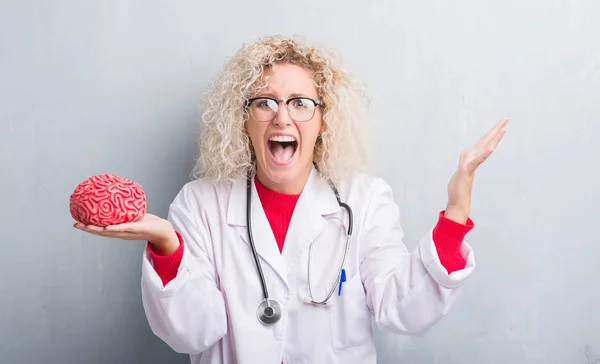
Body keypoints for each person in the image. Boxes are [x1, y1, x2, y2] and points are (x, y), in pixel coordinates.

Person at [74, 34, 508, 364]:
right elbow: (193, 333)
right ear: (243, 120)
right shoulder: (200, 204)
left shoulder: (365, 199)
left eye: (301, 103)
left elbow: (404, 310)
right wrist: (168, 245)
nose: (282, 116)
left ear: (324, 120)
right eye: (264, 102)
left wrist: (456, 210)